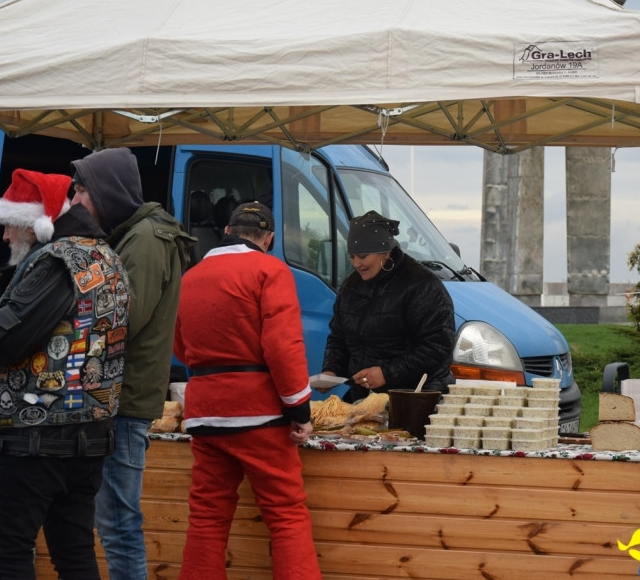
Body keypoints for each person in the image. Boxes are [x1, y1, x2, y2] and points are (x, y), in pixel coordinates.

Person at [0, 169, 130, 579]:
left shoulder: (56, 260)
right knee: (74, 552)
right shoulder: (101, 253)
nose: (5, 238)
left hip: (39, 434)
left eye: (10, 226)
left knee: (7, 549)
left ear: (33, 223)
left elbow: (5, 340)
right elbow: (46, 313)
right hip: (89, 430)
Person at [172, 202, 320, 580]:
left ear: (226, 231)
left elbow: (179, 345)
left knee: (207, 516)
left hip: (204, 409)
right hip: (260, 413)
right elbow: (283, 347)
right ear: (268, 239)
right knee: (286, 514)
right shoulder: (270, 269)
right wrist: (300, 411)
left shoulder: (191, 276)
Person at [69, 147, 194, 580]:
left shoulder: (144, 239)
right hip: (117, 397)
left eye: (82, 189)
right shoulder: (136, 234)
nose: (75, 199)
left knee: (119, 524)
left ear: (105, 190)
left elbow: (122, 318)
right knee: (113, 521)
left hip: (123, 400)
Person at [320, 210, 455, 402]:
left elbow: (438, 347)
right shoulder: (351, 286)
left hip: (415, 399)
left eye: (363, 256)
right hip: (365, 398)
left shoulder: (422, 285)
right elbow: (339, 338)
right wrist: (331, 371)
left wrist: (387, 373)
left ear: (385, 252)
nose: (357, 264)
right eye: (351, 256)